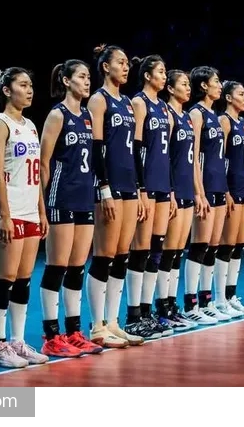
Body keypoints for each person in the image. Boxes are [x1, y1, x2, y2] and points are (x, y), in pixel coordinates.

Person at [0, 67, 50, 368]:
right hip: (8, 211)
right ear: (7, 90)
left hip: (30, 211)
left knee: (23, 280)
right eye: (23, 85)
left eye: (31, 84)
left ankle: (18, 342)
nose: (29, 89)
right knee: (4, 279)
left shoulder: (31, 126)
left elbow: (35, 176)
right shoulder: (0, 125)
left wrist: (41, 211)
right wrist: (5, 216)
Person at [38, 60, 104, 357]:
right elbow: (43, 163)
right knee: (57, 267)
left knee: (77, 268)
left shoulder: (88, 116)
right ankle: (51, 335)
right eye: (81, 77)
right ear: (66, 81)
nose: (87, 82)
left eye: (89, 77)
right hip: (61, 196)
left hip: (84, 198)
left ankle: (74, 332)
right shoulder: (57, 115)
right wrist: (41, 204)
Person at [86, 44, 145, 348]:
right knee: (104, 255)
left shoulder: (127, 103)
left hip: (129, 185)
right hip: (108, 187)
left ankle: (113, 322)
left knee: (122, 255)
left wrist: (140, 188)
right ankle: (97, 326)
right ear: (105, 66)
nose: (125, 67)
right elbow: (96, 147)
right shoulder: (99, 99)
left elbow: (134, 150)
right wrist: (104, 187)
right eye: (120, 62)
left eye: (127, 63)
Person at [125, 55, 177, 339]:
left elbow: (167, 152)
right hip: (146, 184)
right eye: (160, 71)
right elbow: (135, 147)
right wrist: (140, 188)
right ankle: (133, 316)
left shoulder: (164, 108)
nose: (164, 76)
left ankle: (147, 313)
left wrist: (170, 189)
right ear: (146, 75)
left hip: (162, 184)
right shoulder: (139, 102)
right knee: (141, 249)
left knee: (156, 249)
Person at [183, 66, 230, 323]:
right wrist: (198, 192)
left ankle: (206, 301)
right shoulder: (196, 114)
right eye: (216, 81)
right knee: (200, 244)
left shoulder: (215, 116)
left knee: (213, 245)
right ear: (203, 85)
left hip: (219, 184)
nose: (219, 86)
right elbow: (194, 157)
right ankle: (191, 305)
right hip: (205, 186)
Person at [154, 69, 199, 331]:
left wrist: (197, 191)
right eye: (183, 84)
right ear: (170, 88)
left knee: (177, 251)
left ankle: (172, 305)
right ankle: (162, 306)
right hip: (172, 189)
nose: (188, 88)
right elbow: (165, 156)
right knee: (167, 250)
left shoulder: (187, 117)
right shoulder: (168, 114)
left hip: (186, 188)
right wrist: (170, 191)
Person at [214, 81, 244, 315]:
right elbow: (219, 158)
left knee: (239, 245)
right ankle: (220, 298)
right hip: (230, 189)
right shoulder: (224, 121)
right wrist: (226, 191)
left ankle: (230, 296)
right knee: (227, 245)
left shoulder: (243, 123)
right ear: (228, 98)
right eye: (241, 94)